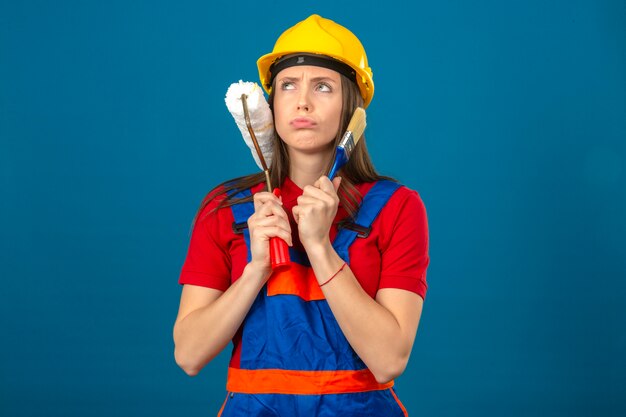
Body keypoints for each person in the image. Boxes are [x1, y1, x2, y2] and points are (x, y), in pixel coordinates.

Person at [173, 14, 429, 416]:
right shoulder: (229, 207)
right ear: (270, 103)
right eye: (288, 85)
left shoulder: (396, 207)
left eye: (323, 87)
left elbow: (389, 360)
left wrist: (320, 246)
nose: (302, 101)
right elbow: (188, 354)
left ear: (351, 106)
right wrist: (256, 269)